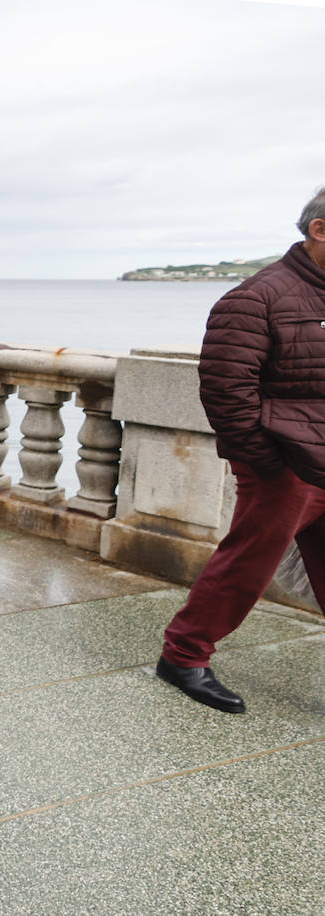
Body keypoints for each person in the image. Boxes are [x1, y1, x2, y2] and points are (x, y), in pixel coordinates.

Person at [157, 187, 325, 714]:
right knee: (249, 561)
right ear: (319, 230)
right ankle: (183, 655)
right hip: (286, 463)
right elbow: (226, 391)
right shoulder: (256, 297)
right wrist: (267, 462)